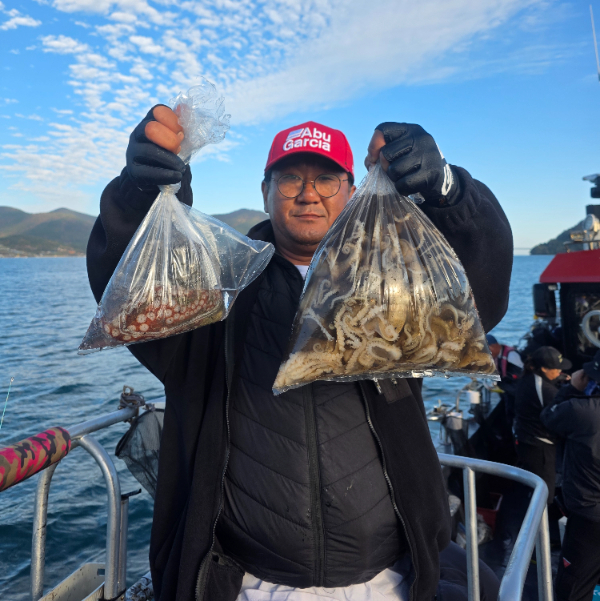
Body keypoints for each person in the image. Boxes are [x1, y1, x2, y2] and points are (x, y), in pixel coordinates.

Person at [87, 110, 513, 601]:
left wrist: (450, 193)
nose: (309, 193)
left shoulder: (395, 281)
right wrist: (140, 193)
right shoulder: (217, 288)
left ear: (352, 190)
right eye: (290, 178)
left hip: (395, 576)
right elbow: (133, 292)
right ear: (265, 191)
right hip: (243, 583)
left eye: (326, 179)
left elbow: (480, 296)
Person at [541, 350, 600, 601]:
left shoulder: (581, 410)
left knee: (572, 587)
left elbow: (549, 417)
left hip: (589, 517)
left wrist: (572, 388)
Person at [514, 346, 572, 506]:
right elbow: (565, 412)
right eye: (556, 369)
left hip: (524, 438)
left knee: (533, 483)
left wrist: (559, 379)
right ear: (544, 369)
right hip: (538, 446)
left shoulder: (528, 377)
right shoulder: (546, 390)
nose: (560, 371)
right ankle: (541, 517)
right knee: (545, 490)